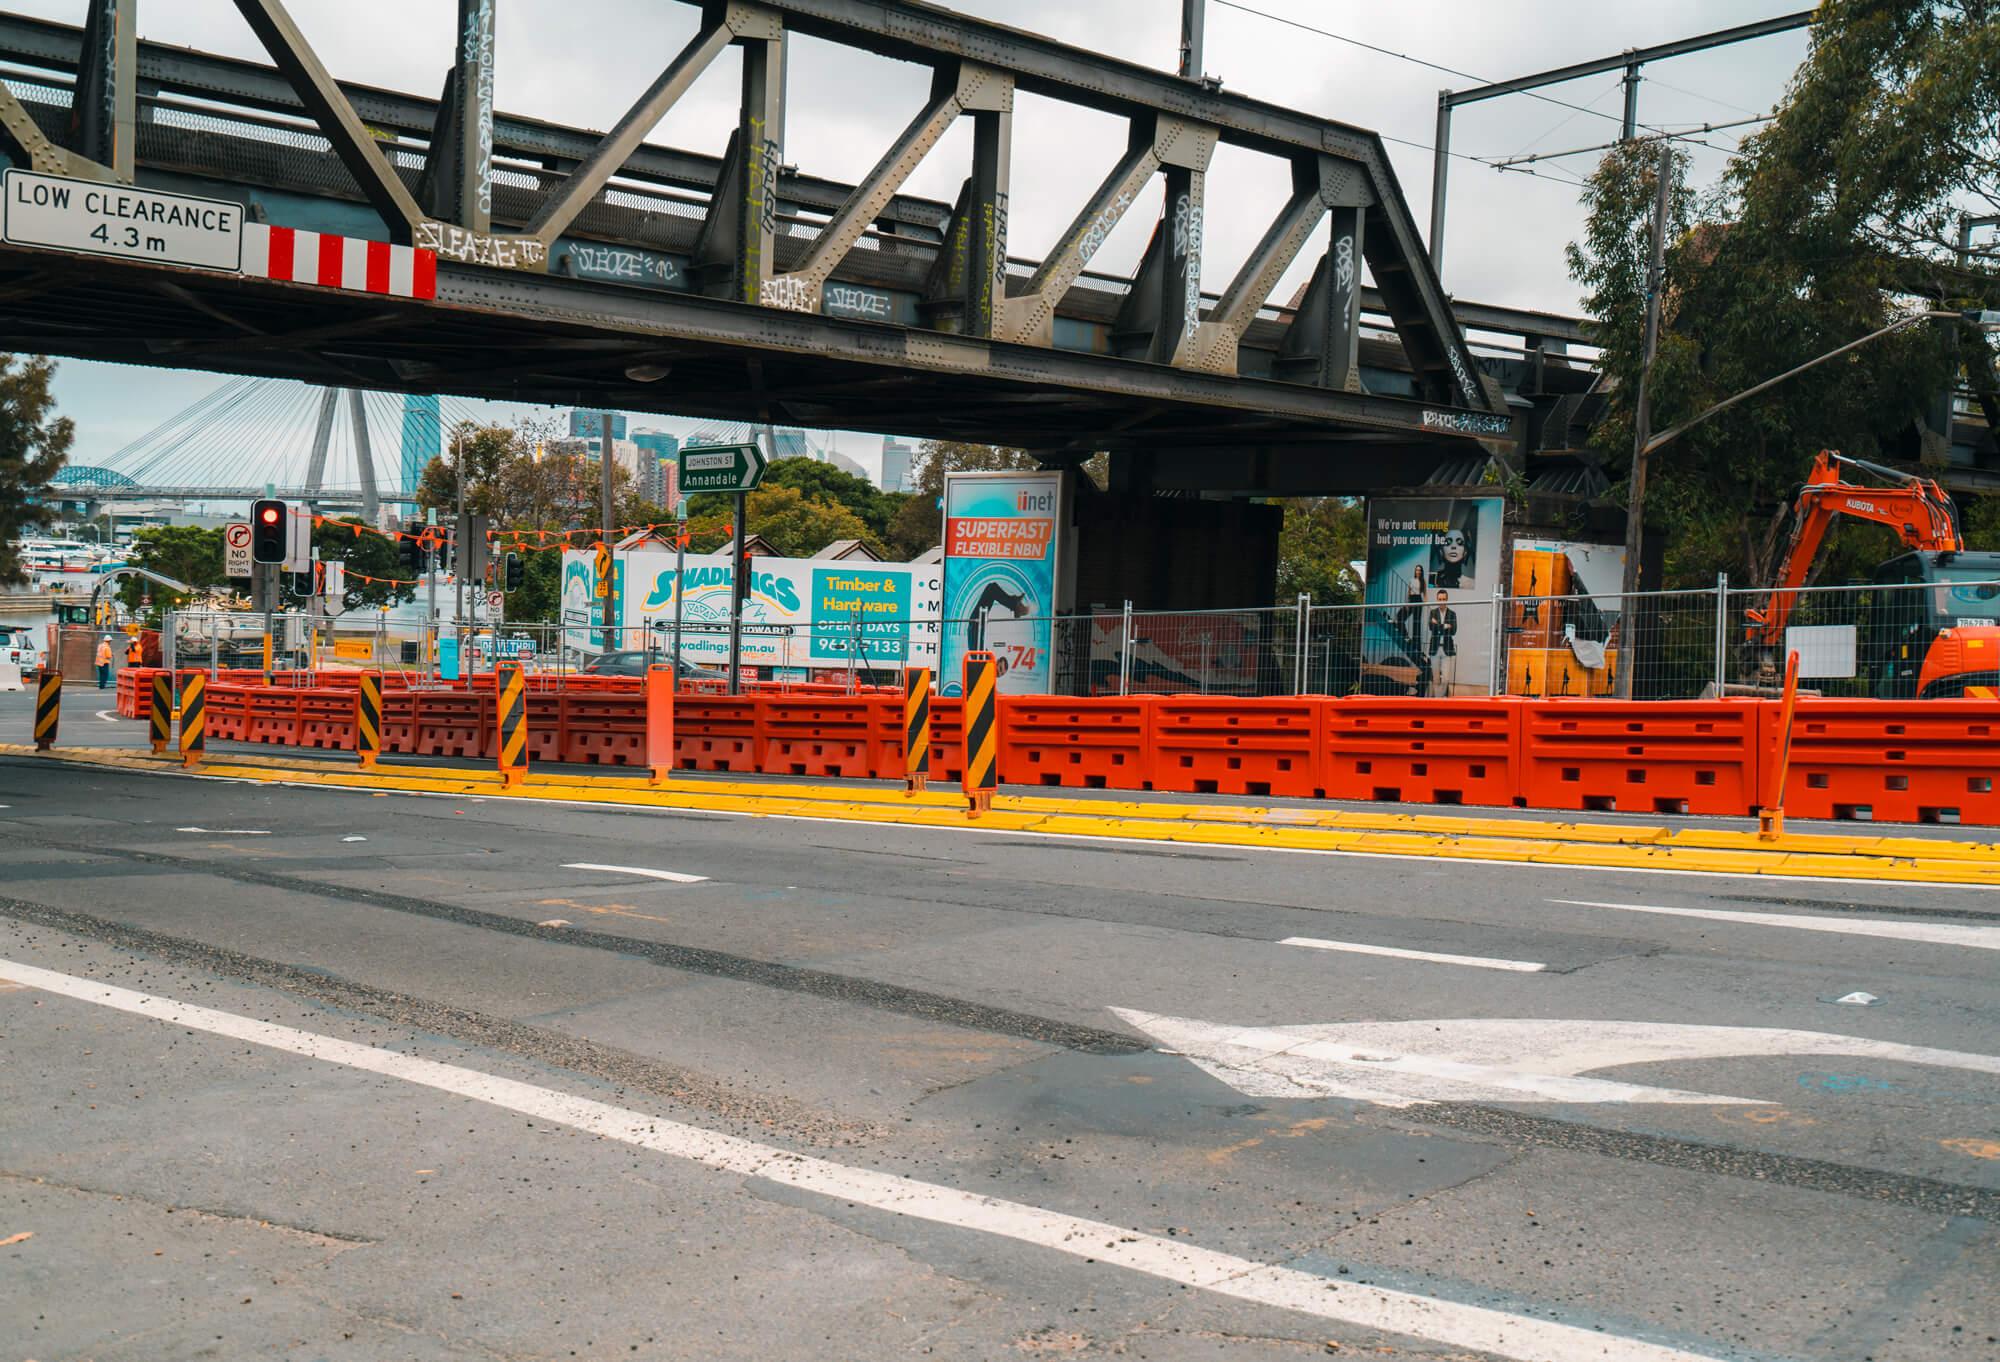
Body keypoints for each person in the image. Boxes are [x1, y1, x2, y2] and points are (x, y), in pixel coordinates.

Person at [1427, 590, 1459, 696]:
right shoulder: (1433, 613)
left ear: (1447, 599)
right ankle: (1438, 700)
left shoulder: (1452, 614)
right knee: (1435, 678)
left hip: (1447, 649)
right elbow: (1431, 627)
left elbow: (1453, 630)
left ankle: (1438, 699)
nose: (1442, 601)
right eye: (1440, 599)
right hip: (1435, 648)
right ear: (1437, 600)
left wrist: (1438, 625)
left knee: (1445, 678)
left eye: (1444, 599)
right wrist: (1445, 626)